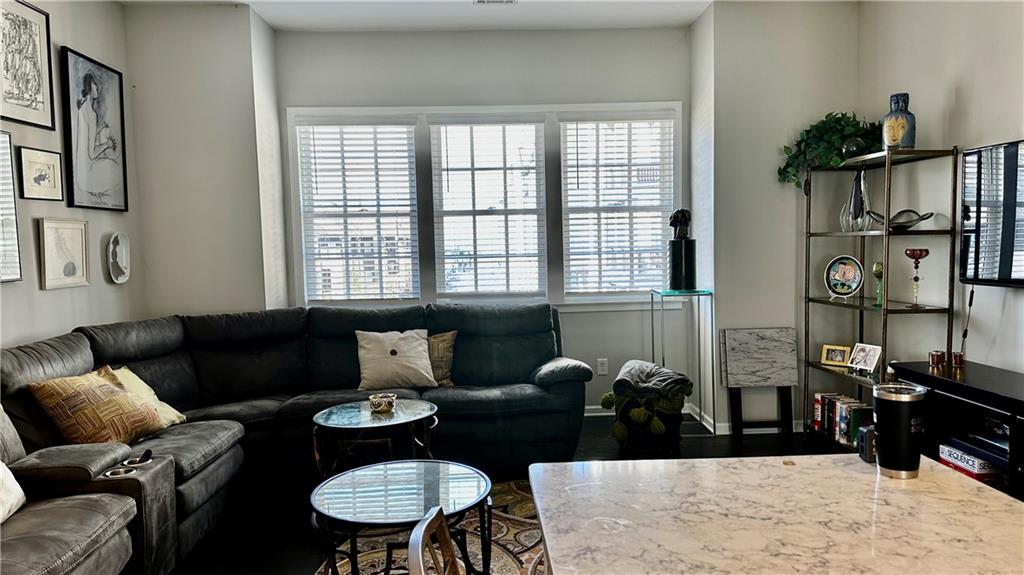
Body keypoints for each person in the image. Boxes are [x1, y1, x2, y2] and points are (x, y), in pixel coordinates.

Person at [74, 72, 121, 204]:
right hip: (88, 176)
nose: (98, 88)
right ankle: (98, 191)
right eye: (95, 84)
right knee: (117, 171)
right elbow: (92, 154)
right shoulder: (91, 114)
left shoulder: (82, 108)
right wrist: (107, 144)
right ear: (89, 87)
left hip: (80, 174)